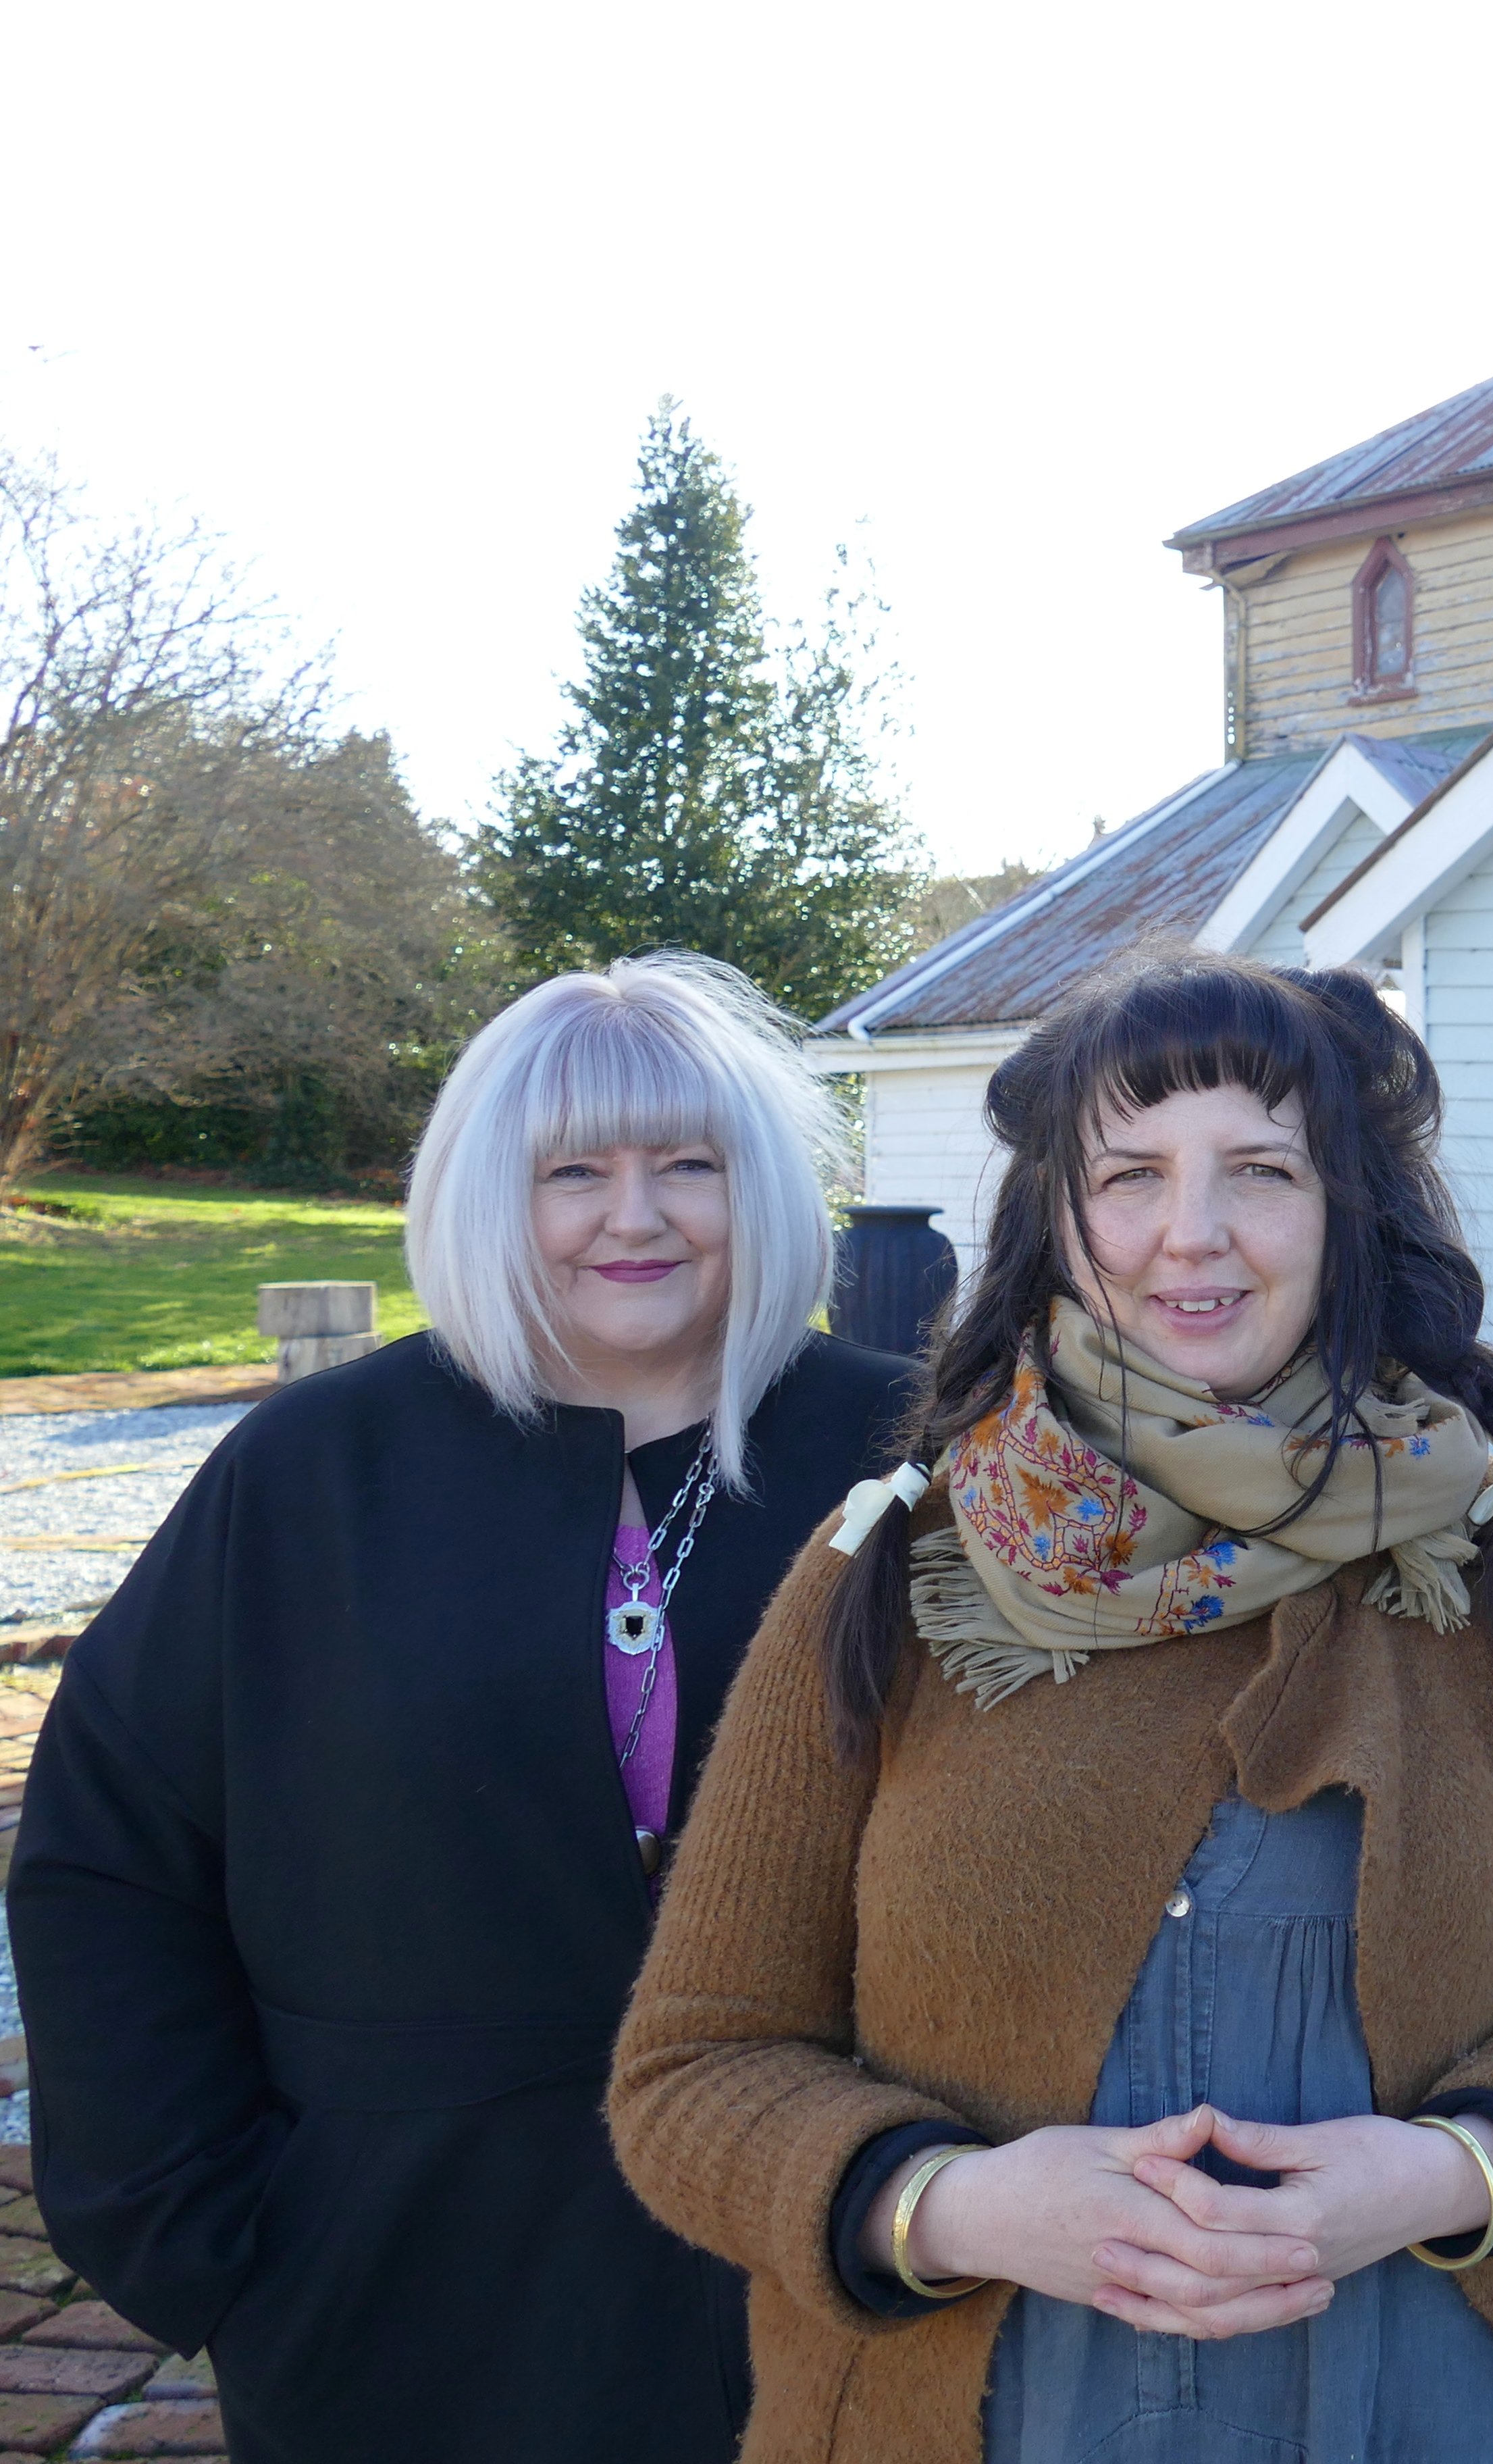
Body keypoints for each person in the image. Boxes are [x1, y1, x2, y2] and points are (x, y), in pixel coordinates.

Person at [608, 953, 1493, 2464]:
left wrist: (1448, 2171)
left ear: (1348, 1213)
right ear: (1059, 1224)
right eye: (1128, 1174)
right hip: (986, 2418)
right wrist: (957, 2205)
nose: (1189, 1235)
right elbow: (693, 2070)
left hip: (1425, 2404)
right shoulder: (894, 1569)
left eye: (1261, 1170)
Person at [5, 954, 917, 2464]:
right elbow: (116, 1851)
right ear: (491, 1196)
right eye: (575, 1171)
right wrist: (202, 2236)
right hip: (395, 2292)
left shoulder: (914, 1456)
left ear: (758, 1186)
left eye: (688, 1163)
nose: (636, 1215)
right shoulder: (315, 1471)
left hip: (831, 2259)